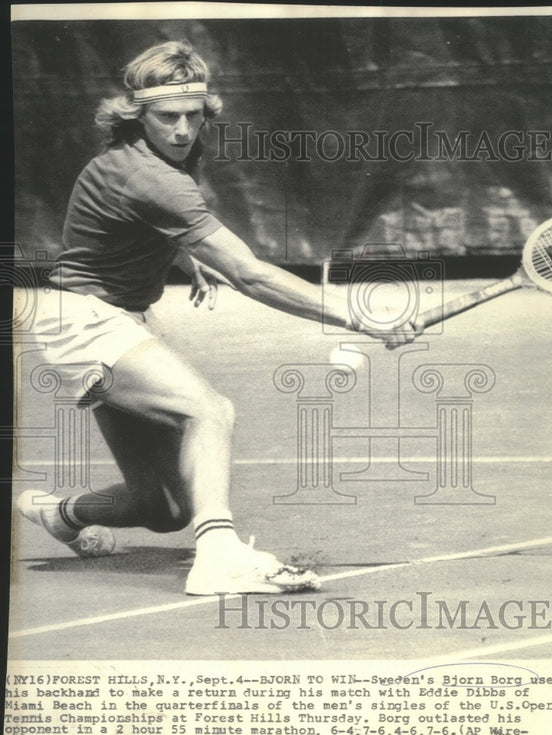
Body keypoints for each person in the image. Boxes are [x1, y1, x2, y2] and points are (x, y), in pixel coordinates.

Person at [18, 40, 420, 595]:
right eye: (167, 117)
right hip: (84, 321)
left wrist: (183, 254)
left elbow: (125, 227)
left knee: (161, 507)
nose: (183, 130)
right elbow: (251, 275)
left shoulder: (153, 162)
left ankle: (59, 512)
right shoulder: (151, 178)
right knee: (208, 411)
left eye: (194, 115)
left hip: (111, 316)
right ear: (137, 115)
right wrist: (359, 316)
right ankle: (219, 555)